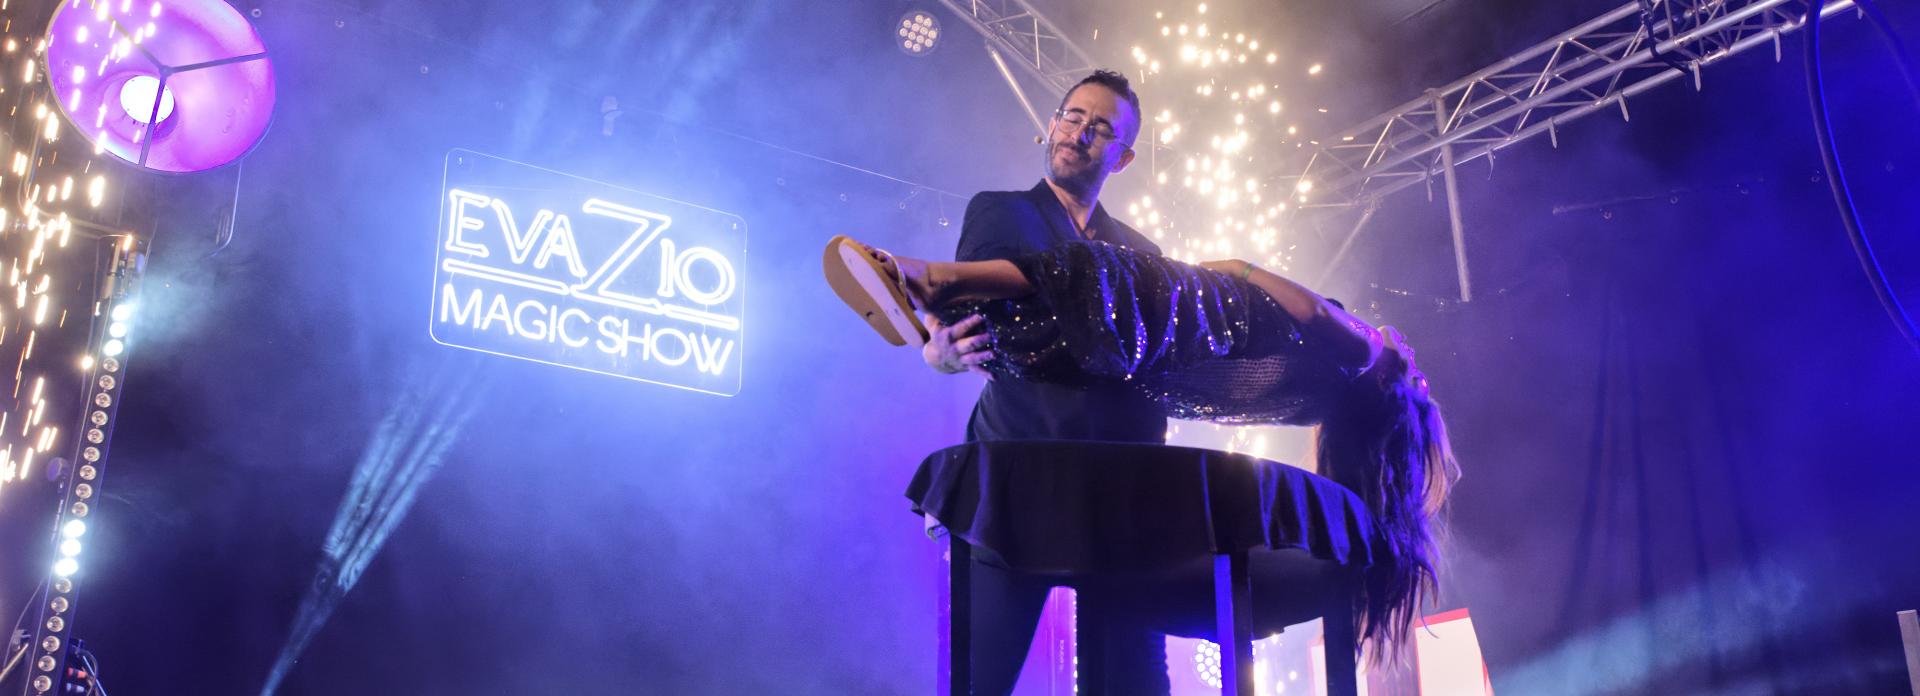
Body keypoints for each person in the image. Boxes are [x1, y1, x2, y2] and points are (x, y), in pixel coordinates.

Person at [823, 235, 1460, 683]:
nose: (1412, 355)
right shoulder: (1321, 407)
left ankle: (935, 281)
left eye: (1417, 378)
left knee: (1105, 276)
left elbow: (1312, 309)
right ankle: (948, 317)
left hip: (1210, 317)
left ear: (1391, 390)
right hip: (1194, 346)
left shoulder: (1366, 354)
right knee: (1093, 314)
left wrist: (1241, 269)